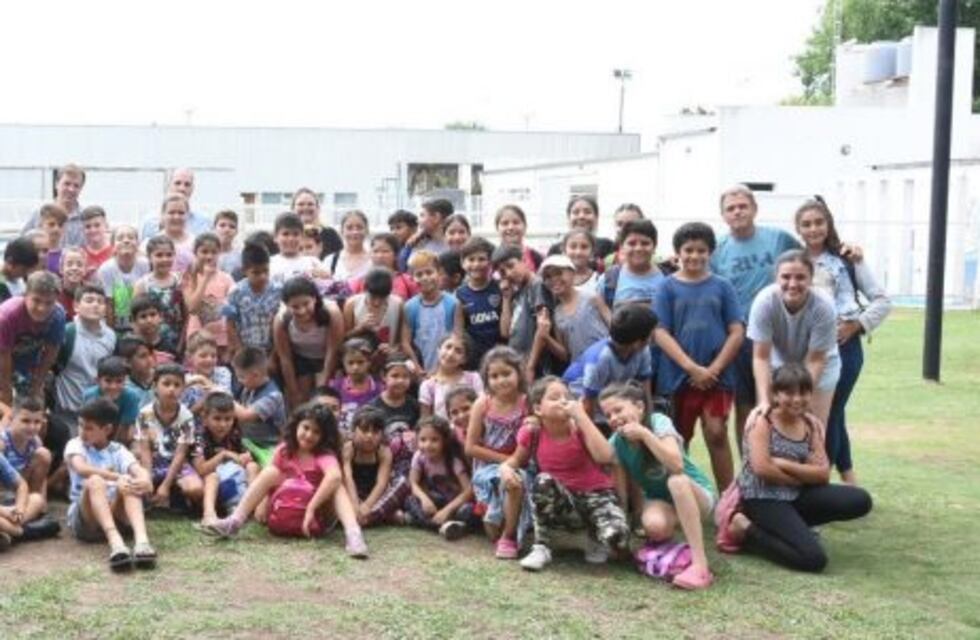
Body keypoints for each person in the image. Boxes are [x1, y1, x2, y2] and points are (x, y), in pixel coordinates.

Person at [718, 364, 872, 572]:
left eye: (803, 392)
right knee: (814, 559)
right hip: (763, 498)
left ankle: (791, 526)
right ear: (775, 394)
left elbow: (822, 473)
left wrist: (782, 463)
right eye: (788, 393)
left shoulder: (810, 424)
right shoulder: (763, 422)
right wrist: (801, 475)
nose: (797, 399)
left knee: (860, 500)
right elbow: (762, 469)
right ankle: (747, 530)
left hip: (796, 495)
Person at [795, 197, 892, 484]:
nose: (813, 229)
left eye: (818, 222)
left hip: (845, 348)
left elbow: (883, 301)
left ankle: (820, 481)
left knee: (830, 413)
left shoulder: (848, 259)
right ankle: (848, 479)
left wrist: (857, 325)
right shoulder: (795, 261)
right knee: (824, 414)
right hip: (807, 350)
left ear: (829, 224)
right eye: (806, 224)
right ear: (798, 229)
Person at [204, 402, 369, 557]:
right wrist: (263, 503)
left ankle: (354, 535)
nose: (309, 435)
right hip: (284, 510)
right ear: (296, 425)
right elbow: (269, 478)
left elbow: (334, 476)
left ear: (324, 436)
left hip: (317, 517)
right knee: (271, 472)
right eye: (306, 427)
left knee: (337, 486)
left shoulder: (323, 455)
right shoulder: (285, 450)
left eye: (316, 432)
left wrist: (311, 508)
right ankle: (235, 522)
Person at [502, 377, 628, 572]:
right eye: (554, 397)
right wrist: (505, 469)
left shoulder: (580, 427)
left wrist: (582, 417)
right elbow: (514, 461)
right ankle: (542, 546)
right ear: (537, 408)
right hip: (564, 501)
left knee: (617, 537)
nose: (563, 401)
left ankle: (595, 536)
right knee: (542, 480)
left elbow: (606, 457)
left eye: (567, 397)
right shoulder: (532, 432)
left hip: (597, 496)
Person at [599, 383, 715, 590]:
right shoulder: (617, 442)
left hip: (696, 495)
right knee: (653, 526)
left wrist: (645, 434)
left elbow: (676, 465)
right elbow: (621, 489)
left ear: (640, 407)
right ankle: (674, 550)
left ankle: (700, 566)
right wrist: (621, 529)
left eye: (618, 410)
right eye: (608, 415)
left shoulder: (658, 422)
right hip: (663, 501)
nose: (613, 418)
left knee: (676, 481)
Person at [654, 222, 743, 491]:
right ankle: (685, 494)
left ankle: (728, 500)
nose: (694, 256)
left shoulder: (722, 286)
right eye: (688, 250)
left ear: (711, 252)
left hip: (718, 375)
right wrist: (691, 368)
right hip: (679, 376)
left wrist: (713, 369)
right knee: (679, 437)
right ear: (678, 252)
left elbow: (737, 331)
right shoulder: (666, 287)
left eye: (701, 250)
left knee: (716, 432)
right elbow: (660, 332)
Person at [710, 185, 802, 445]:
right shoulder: (717, 249)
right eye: (731, 208)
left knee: (783, 400)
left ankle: (783, 457)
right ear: (723, 215)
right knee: (746, 404)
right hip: (741, 336)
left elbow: (812, 260)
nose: (737, 212)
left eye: (743, 206)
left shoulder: (779, 239)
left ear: (754, 209)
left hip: (781, 333)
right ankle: (750, 467)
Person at [748, 250, 840, 428]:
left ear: (811, 279)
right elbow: (761, 357)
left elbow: (816, 359)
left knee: (812, 426)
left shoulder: (823, 306)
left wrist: (801, 398)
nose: (792, 284)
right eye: (786, 277)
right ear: (776, 278)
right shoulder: (764, 302)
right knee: (770, 423)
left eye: (800, 277)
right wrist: (764, 400)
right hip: (779, 365)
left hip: (820, 365)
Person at [65, 397, 157, 571]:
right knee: (95, 480)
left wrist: (145, 480)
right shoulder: (75, 445)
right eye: (80, 425)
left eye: (89, 428)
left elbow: (137, 469)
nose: (82, 432)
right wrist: (117, 477)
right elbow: (81, 468)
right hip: (87, 521)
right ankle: (115, 542)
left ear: (107, 429)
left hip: (115, 513)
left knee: (131, 482)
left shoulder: (118, 450)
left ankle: (142, 541)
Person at [465, 346, 529, 559]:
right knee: (492, 531)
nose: (501, 380)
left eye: (506, 373)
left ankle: (509, 536)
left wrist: (513, 464)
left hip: (522, 463)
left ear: (519, 373)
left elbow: (531, 444)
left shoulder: (527, 403)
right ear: (486, 380)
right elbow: (471, 447)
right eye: (494, 376)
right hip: (488, 466)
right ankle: (499, 527)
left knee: (513, 481)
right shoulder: (483, 403)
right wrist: (505, 462)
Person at [51, 286, 117, 456]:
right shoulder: (66, 333)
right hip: (67, 412)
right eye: (89, 300)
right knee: (70, 458)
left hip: (97, 415)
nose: (95, 305)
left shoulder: (111, 336)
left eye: (100, 302)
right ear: (76, 306)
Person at [562, 304, 657, 420]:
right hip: (580, 399)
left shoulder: (643, 350)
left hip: (609, 399)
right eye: (650, 334)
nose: (653, 337)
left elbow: (645, 387)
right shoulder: (600, 359)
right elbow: (588, 402)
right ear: (637, 342)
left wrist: (650, 419)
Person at [134, 363, 203, 511]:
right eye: (166, 384)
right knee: (137, 487)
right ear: (155, 386)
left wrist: (166, 485)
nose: (171, 389)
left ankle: (173, 495)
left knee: (195, 489)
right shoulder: (145, 414)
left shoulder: (186, 416)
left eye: (177, 385)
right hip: (153, 461)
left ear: (183, 389)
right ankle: (163, 498)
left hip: (177, 464)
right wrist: (147, 480)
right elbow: (145, 451)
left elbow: (180, 454)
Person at [274, 277, 344, 408]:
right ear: (286, 305)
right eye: (295, 307)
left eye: (306, 304)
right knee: (301, 402)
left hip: (326, 358)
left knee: (322, 401)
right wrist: (294, 392)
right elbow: (285, 359)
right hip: (300, 360)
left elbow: (333, 351)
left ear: (315, 299)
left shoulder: (331, 312)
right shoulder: (281, 319)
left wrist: (322, 386)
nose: (302, 311)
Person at [192, 392, 259, 527]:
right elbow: (200, 469)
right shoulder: (198, 437)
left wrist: (245, 458)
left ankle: (253, 508)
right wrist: (223, 455)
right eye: (217, 419)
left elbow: (244, 457)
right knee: (212, 476)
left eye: (228, 419)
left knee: (253, 466)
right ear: (205, 418)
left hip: (234, 481)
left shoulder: (234, 433)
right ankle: (209, 515)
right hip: (208, 487)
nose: (223, 424)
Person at [0, 271, 66, 405]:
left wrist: (37, 385)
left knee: (33, 408)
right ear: (25, 296)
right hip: (4, 363)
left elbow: (51, 352)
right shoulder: (7, 316)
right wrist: (6, 391)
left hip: (26, 367)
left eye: (49, 303)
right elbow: (3, 357)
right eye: (36, 300)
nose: (42, 308)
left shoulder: (57, 315)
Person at [406, 415, 476, 539]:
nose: (427, 445)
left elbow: (468, 491)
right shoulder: (419, 456)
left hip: (456, 504)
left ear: (444, 441)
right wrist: (424, 499)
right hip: (436, 501)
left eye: (434, 440)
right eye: (423, 440)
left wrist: (447, 511)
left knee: (469, 510)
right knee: (410, 500)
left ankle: (437, 524)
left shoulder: (453, 461)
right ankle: (442, 526)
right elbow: (413, 482)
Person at [538, 254, 610, 366]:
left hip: (606, 362)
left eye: (558, 273)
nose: (554, 279)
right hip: (582, 371)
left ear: (572, 273)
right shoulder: (557, 314)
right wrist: (545, 336)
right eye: (548, 277)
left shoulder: (592, 297)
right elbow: (565, 355)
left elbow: (614, 328)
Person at [495, 244, 551, 376]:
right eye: (503, 272)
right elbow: (504, 332)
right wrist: (506, 298)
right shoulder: (517, 292)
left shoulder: (537, 285)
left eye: (511, 266)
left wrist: (531, 366)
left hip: (535, 364)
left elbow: (542, 330)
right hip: (518, 361)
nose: (508, 273)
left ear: (525, 261)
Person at [0, 396, 52, 529]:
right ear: (12, 418)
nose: (32, 427)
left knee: (43, 454)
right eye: (25, 421)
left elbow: (43, 476)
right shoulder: (3, 442)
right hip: (4, 493)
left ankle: (14, 525)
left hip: (22, 494)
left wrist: (41, 502)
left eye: (37, 422)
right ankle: (19, 528)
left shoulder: (35, 442)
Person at [224, 243, 283, 358]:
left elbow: (282, 325)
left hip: (272, 350)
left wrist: (274, 355)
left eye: (266, 271)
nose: (263, 276)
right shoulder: (234, 291)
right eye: (256, 273)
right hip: (245, 349)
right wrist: (240, 350)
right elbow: (229, 323)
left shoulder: (278, 290)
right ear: (245, 270)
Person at [341, 406, 397, 527]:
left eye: (375, 432)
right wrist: (356, 506)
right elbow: (347, 478)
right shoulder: (348, 449)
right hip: (352, 494)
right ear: (354, 430)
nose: (370, 435)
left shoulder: (384, 452)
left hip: (374, 497)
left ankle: (364, 517)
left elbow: (382, 483)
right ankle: (373, 517)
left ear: (382, 434)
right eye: (364, 430)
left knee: (402, 482)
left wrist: (367, 506)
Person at [403, 250, 457, 372]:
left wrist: (443, 368)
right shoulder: (410, 307)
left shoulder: (453, 303)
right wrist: (418, 369)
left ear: (439, 273)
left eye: (429, 272)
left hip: (448, 368)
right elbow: (405, 342)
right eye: (419, 274)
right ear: (412, 278)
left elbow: (457, 338)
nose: (425, 278)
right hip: (422, 369)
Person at [182, 233, 234, 357]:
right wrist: (205, 278)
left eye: (214, 252)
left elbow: (232, 310)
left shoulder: (226, 278)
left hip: (221, 340)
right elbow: (192, 308)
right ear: (195, 252)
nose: (209, 256)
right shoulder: (189, 277)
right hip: (197, 339)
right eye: (204, 252)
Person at [596, 219, 667, 309]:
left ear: (654, 246)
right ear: (622, 247)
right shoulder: (608, 281)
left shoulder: (668, 277)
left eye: (645, 243)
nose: (638, 248)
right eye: (632, 243)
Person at [454, 237, 502, 370]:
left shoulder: (500, 289)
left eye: (481, 259)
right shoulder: (459, 295)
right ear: (462, 262)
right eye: (471, 259)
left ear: (490, 262)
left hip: (499, 356)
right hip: (474, 360)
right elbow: (459, 331)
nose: (476, 264)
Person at [134, 236, 186, 353]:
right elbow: (136, 318)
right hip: (151, 343)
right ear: (149, 257)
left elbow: (186, 316)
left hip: (177, 341)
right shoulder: (142, 284)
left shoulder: (180, 281)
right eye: (159, 255)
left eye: (169, 255)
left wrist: (181, 344)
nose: (164, 259)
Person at [98, 225, 150, 334]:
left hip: (140, 324)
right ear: (113, 245)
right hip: (116, 324)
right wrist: (111, 334)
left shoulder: (145, 265)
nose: (126, 241)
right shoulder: (106, 269)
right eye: (120, 238)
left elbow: (146, 299)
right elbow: (109, 303)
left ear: (138, 243)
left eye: (131, 238)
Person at [82, 355, 145, 444]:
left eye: (119, 381)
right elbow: (87, 426)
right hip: (95, 434)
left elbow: (124, 431)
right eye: (108, 381)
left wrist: (112, 451)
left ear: (125, 381)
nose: (113, 386)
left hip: (121, 436)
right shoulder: (90, 396)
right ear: (98, 381)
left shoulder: (131, 397)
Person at [22, 163, 87, 247]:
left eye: (76, 186)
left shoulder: (85, 219)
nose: (71, 189)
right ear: (56, 184)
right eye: (67, 184)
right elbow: (22, 244)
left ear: (81, 189)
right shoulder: (40, 214)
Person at [232, 347, 286, 448]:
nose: (239, 380)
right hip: (248, 441)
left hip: (268, 445)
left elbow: (245, 416)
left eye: (241, 377)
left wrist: (223, 393)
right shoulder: (248, 387)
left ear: (255, 375)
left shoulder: (273, 396)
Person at [419, 334, 483, 420]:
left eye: (458, 351)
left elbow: (481, 409)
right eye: (448, 347)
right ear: (438, 350)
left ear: (464, 359)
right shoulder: (428, 386)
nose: (450, 354)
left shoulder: (473, 379)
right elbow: (425, 419)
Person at [139, 168, 212, 239]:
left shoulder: (204, 223)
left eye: (187, 184)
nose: (182, 188)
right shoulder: (150, 222)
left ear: (192, 188)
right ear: (168, 185)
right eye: (177, 183)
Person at [343, 268, 405, 350]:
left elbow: (402, 341)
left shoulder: (398, 304)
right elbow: (343, 338)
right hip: (358, 359)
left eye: (383, 298)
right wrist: (360, 328)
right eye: (373, 297)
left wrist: (392, 349)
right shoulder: (352, 304)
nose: (377, 303)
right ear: (365, 289)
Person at [330, 338, 382, 434]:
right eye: (350, 363)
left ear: (369, 362)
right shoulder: (335, 387)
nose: (355, 367)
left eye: (360, 362)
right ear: (343, 363)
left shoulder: (379, 389)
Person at [349, 233, 418, 300]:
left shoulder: (408, 281)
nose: (380, 256)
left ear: (396, 255)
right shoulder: (360, 282)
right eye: (375, 251)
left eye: (385, 251)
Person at [547, 195, 616, 263]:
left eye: (587, 212)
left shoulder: (608, 246)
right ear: (568, 218)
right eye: (576, 212)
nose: (581, 216)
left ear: (596, 217)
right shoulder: (555, 250)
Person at [181, 331, 233, 416]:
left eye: (213, 356)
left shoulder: (223, 372)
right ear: (189, 357)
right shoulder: (185, 380)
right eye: (203, 356)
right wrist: (208, 397)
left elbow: (225, 399)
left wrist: (202, 380)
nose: (209, 360)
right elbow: (186, 413)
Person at [270, 212, 326, 285]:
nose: (291, 239)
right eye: (285, 234)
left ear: (302, 236)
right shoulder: (268, 263)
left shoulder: (313, 263)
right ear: (275, 237)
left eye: (295, 234)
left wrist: (326, 277)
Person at [143, 194, 195, 273]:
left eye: (181, 213)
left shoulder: (196, 243)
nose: (176, 217)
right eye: (171, 212)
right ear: (163, 215)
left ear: (187, 215)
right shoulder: (149, 243)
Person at [398, 199, 453, 271]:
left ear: (436, 217)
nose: (417, 221)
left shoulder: (452, 244)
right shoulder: (417, 241)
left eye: (422, 215)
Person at [291, 187, 343, 258]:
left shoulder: (330, 235)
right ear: (293, 209)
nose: (306, 207)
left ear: (318, 208)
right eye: (301, 204)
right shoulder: (286, 236)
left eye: (310, 204)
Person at [325, 210, 372, 283]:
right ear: (342, 231)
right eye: (349, 228)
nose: (355, 232)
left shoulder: (374, 260)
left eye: (359, 227)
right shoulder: (330, 261)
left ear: (367, 230)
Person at [129, 294, 178, 364]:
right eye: (143, 316)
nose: (149, 320)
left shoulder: (169, 350)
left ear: (161, 317)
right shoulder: (129, 350)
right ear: (133, 322)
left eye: (153, 314)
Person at [495, 205, 543, 271]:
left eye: (516, 222)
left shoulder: (536, 257)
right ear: (497, 228)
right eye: (505, 223)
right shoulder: (489, 257)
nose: (510, 227)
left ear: (525, 226)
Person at [560, 229, 600, 295]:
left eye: (584, 247)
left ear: (592, 252)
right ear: (564, 251)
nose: (578, 252)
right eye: (573, 247)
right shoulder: (555, 280)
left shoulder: (598, 280)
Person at [0, 237, 39, 303]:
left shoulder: (23, 279)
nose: (26, 273)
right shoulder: (2, 286)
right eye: (23, 270)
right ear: (10, 263)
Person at [58, 247, 90, 320]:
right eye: (69, 264)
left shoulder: (90, 292)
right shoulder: (53, 292)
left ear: (85, 270)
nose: (74, 268)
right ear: (61, 269)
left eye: (79, 265)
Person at [80, 206, 113, 274]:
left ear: (106, 226)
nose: (93, 230)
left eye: (97, 225)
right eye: (88, 227)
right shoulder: (80, 254)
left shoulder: (115, 251)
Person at [38, 203, 68, 273]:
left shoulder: (67, 255)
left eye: (60, 225)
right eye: (51, 224)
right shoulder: (34, 253)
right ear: (41, 225)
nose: (56, 229)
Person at [214, 210, 242, 278]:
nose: (227, 230)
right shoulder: (205, 254)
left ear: (237, 231)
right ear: (214, 228)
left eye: (232, 227)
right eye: (222, 225)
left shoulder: (241, 256)